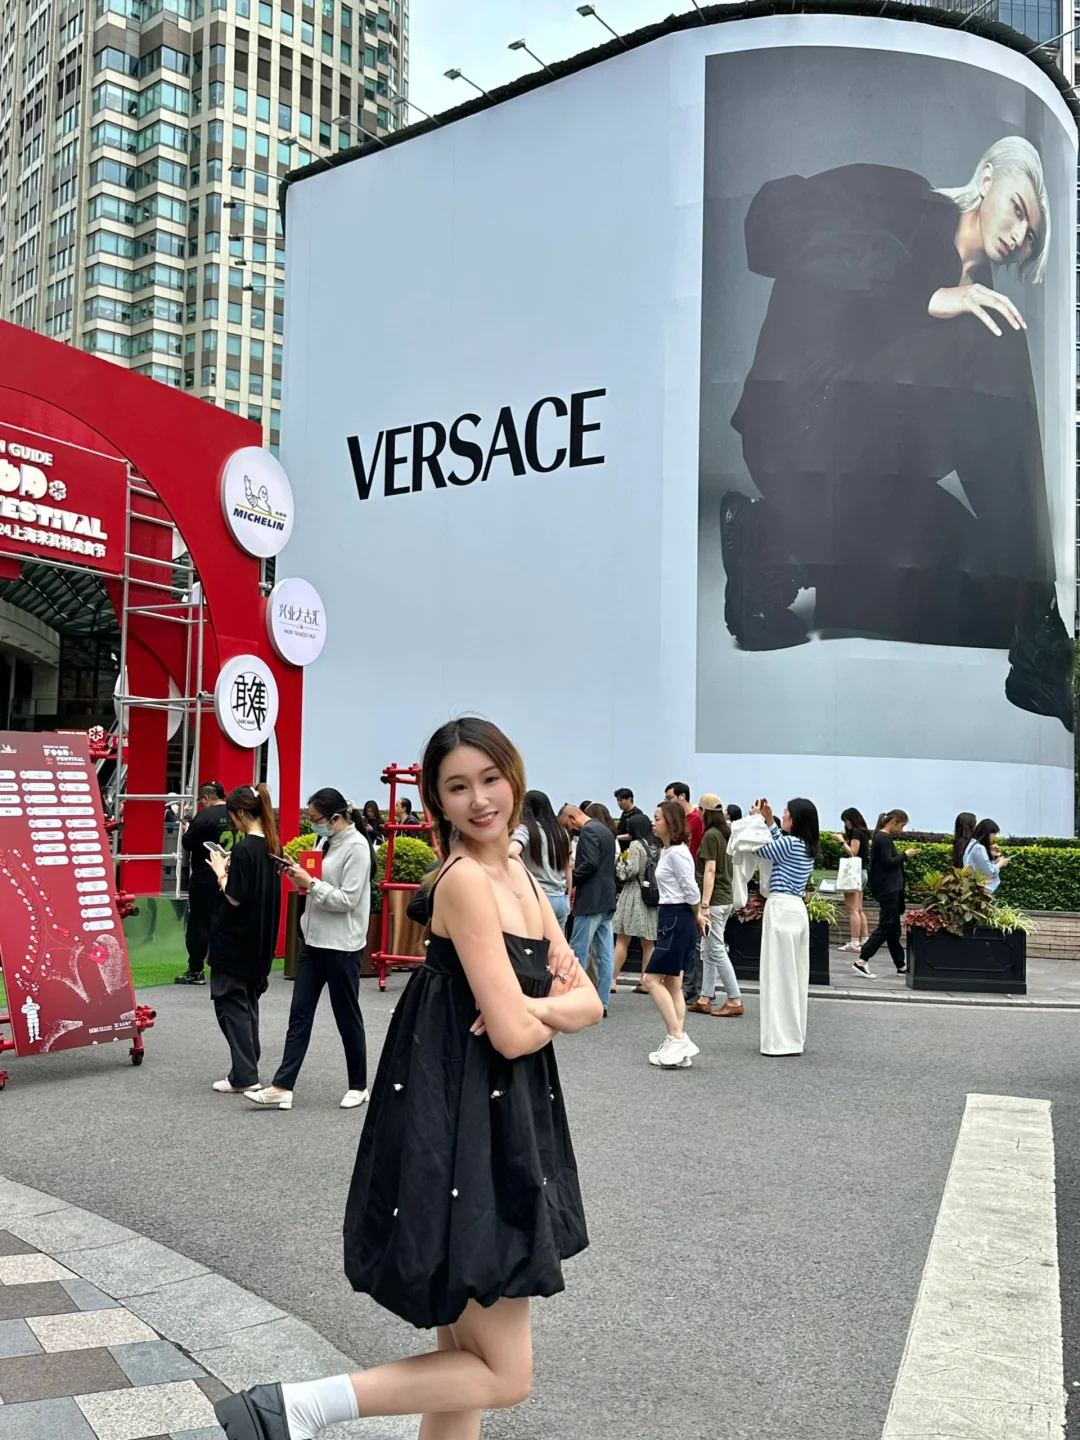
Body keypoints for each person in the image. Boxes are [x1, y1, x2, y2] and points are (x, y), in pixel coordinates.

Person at [215, 717, 602, 1440]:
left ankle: (288, 1410)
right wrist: (544, 1010)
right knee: (505, 1374)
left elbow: (591, 1002)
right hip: (467, 1119)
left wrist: (536, 1007)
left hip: (489, 1111)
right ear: (437, 800)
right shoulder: (466, 882)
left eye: (490, 779)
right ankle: (295, 1409)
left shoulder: (518, 873)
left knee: (463, 1369)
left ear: (514, 779)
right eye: (458, 787)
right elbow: (513, 1034)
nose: (479, 799)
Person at [721, 138, 1070, 730]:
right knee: (994, 335)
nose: (1019, 235)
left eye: (1031, 236)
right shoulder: (902, 198)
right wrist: (924, 296)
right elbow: (769, 216)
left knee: (990, 590)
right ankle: (1042, 634)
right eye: (1018, 209)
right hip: (803, 428)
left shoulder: (981, 293)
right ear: (987, 178)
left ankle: (774, 544)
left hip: (876, 479)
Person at [246, 788, 373, 1112]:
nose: (313, 824)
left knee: (347, 1016)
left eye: (316, 818)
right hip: (313, 940)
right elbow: (315, 884)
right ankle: (282, 1086)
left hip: (342, 945)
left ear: (335, 817)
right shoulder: (324, 841)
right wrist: (299, 875)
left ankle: (359, 1085)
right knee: (299, 1015)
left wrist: (311, 883)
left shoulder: (357, 847)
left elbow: (348, 900)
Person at [206, 784, 281, 1095]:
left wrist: (220, 871)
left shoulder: (244, 849)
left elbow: (235, 897)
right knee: (247, 1003)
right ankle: (245, 1068)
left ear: (239, 813)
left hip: (235, 941)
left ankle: (245, 1073)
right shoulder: (273, 847)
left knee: (231, 1004)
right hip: (259, 939)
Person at [751, 797, 820, 1057]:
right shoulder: (805, 845)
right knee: (794, 975)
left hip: (780, 907)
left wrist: (757, 820)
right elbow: (777, 843)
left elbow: (760, 849)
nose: (784, 815)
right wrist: (770, 822)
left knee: (776, 975)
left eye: (787, 813)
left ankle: (778, 1040)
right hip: (797, 908)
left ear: (796, 819)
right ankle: (792, 1037)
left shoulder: (789, 844)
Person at [642, 799, 703, 1068]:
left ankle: (677, 1038)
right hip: (674, 916)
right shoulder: (670, 851)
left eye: (657, 818)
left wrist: (697, 914)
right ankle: (677, 1040)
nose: (653, 822)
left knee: (650, 979)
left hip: (677, 917)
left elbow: (691, 890)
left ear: (670, 822)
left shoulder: (676, 853)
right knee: (673, 984)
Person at [559, 803, 617, 1014]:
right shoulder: (605, 830)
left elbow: (590, 863)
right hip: (607, 898)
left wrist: (570, 878)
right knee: (605, 954)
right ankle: (602, 1002)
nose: (569, 830)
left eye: (567, 825)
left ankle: (576, 999)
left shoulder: (588, 832)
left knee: (578, 951)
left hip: (591, 899)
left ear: (572, 818)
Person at [688, 797, 743, 1017]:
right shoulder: (725, 833)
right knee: (708, 948)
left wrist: (704, 904)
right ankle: (704, 997)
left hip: (715, 900)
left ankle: (734, 999)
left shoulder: (711, 835)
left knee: (716, 948)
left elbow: (710, 870)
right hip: (725, 897)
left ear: (704, 811)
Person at [176, 781, 230, 986]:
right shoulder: (237, 813)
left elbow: (189, 843)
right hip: (231, 877)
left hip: (206, 877)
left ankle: (196, 969)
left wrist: (187, 831)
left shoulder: (204, 817)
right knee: (227, 923)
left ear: (206, 798)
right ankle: (225, 969)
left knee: (199, 924)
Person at [860, 810, 919, 976]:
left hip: (889, 888)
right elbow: (888, 862)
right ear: (893, 822)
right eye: (901, 825)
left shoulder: (880, 837)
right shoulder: (884, 838)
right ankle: (862, 959)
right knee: (887, 926)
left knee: (893, 930)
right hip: (889, 888)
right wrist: (905, 855)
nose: (901, 830)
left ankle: (900, 965)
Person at [510, 789, 572, 930]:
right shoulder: (562, 832)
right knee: (558, 943)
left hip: (538, 896)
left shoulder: (527, 829)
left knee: (536, 941)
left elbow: (511, 852)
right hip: (560, 899)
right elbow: (568, 866)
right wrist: (567, 897)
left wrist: (527, 874)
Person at [612, 811, 658, 990]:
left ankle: (612, 980)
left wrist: (620, 864)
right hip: (652, 896)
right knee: (648, 942)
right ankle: (645, 982)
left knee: (622, 939)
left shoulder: (636, 845)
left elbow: (629, 872)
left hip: (634, 895)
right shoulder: (656, 845)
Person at [835, 807, 872, 965]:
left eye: (847, 821)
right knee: (859, 908)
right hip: (862, 872)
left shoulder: (856, 832)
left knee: (852, 909)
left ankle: (854, 942)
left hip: (854, 873)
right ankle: (864, 940)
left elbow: (853, 852)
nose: (846, 824)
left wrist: (841, 840)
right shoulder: (863, 832)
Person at [964, 817, 1011, 893]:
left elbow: (982, 865)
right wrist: (1000, 864)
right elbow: (989, 871)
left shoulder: (972, 844)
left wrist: (995, 862)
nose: (994, 837)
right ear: (988, 833)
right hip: (981, 888)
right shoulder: (979, 848)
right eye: (994, 834)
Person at [665, 781, 704, 858]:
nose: (667, 803)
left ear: (682, 796)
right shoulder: (675, 819)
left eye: (669, 798)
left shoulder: (697, 818)